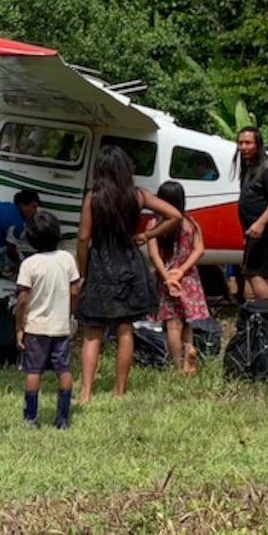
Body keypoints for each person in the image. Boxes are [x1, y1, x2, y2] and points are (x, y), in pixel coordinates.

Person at [76, 146, 183, 404]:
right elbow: (175, 215)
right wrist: (147, 236)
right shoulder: (137, 196)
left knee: (93, 332)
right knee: (125, 330)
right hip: (129, 264)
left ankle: (85, 392)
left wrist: (82, 271)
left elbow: (82, 237)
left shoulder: (93, 198)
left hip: (101, 264)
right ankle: (119, 390)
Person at [14, 210, 79, 428]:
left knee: (34, 372)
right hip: (60, 327)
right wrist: (70, 314)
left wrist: (19, 327)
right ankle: (62, 418)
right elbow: (74, 291)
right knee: (64, 370)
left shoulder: (29, 265)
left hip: (36, 327)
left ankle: (30, 418)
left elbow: (23, 299)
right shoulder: (67, 259)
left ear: (30, 238)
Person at [147, 180, 209, 376]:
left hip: (168, 279)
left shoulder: (155, 224)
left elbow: (154, 255)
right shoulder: (190, 223)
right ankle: (189, 346)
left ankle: (177, 365)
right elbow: (200, 249)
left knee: (173, 324)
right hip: (188, 278)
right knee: (186, 320)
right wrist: (182, 270)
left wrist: (167, 276)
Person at [234, 128, 268, 302]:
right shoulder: (249, 166)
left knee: (255, 274)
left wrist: (260, 223)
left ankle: (266, 317)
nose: (243, 147)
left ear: (258, 144)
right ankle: (266, 314)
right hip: (252, 231)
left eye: (248, 143)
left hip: (265, 232)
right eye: (240, 143)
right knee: (253, 274)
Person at [0, 188, 40, 277]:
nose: (35, 211)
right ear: (22, 205)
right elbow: (11, 250)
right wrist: (21, 264)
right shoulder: (17, 223)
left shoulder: (8, 206)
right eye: (33, 207)